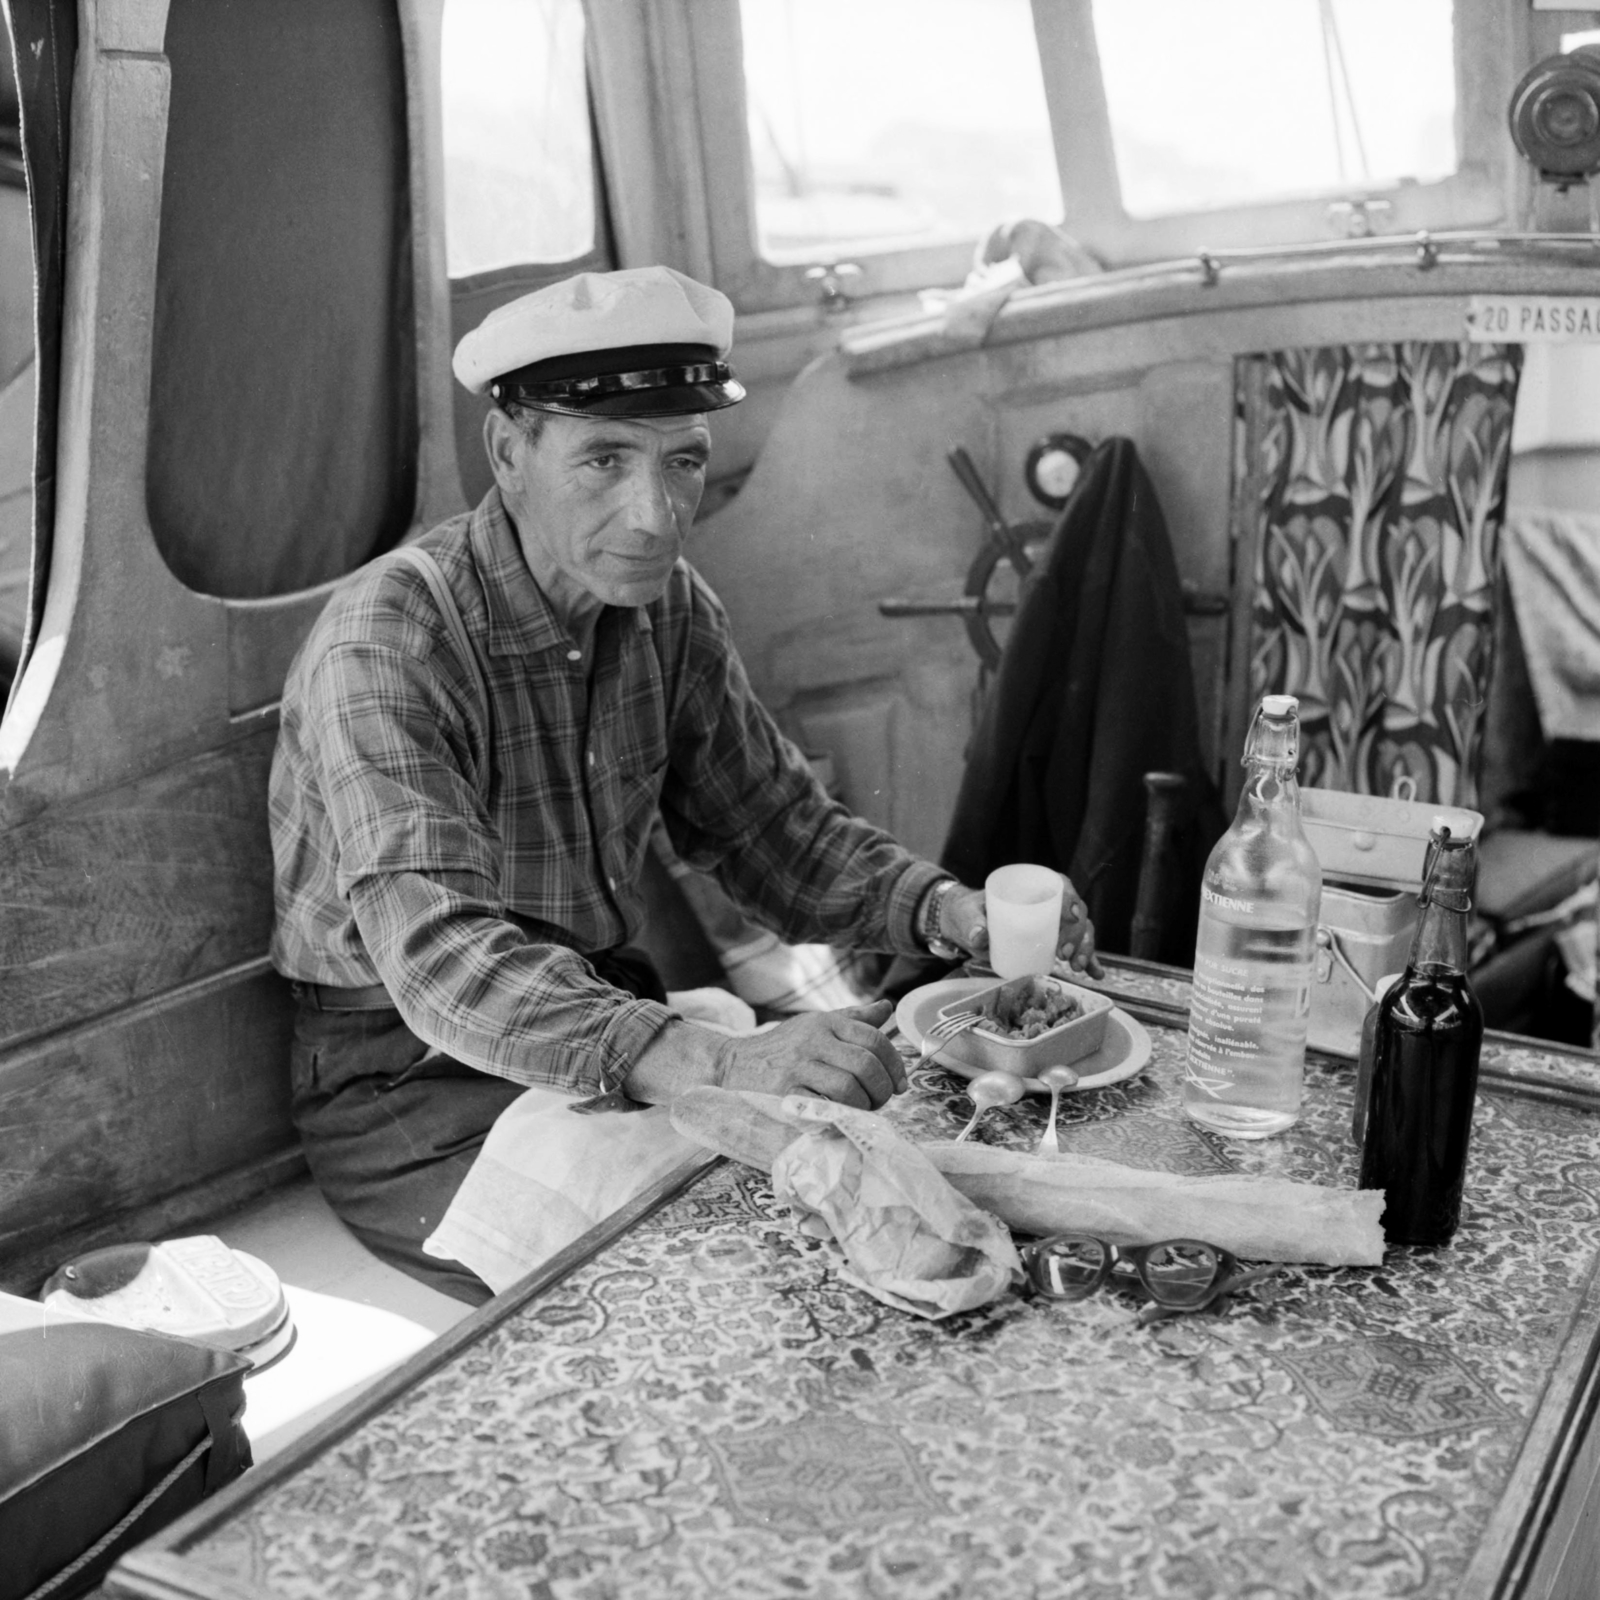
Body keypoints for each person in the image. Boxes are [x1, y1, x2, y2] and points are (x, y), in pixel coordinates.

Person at [269, 264, 1099, 1302]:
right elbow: (441, 958)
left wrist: (946, 909)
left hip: (598, 1012)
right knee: (703, 1284)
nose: (655, 514)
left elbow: (775, 834)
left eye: (684, 461)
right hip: (409, 1080)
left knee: (869, 1210)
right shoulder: (391, 637)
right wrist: (712, 1061)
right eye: (604, 459)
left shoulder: (666, 610)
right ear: (507, 453)